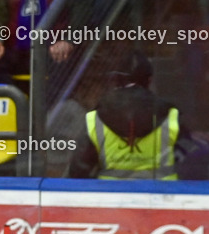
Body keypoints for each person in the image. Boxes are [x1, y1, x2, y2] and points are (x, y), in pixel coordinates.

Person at [67, 50, 192, 180]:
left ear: (116, 81)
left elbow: (79, 170)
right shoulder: (171, 115)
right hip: (163, 196)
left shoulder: (95, 118)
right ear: (149, 80)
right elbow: (189, 162)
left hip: (111, 196)